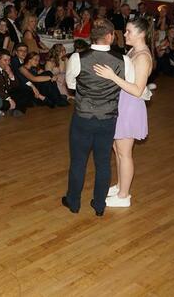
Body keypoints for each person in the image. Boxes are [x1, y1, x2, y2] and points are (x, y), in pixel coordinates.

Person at [62, 18, 134, 217]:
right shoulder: (123, 60)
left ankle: (74, 202)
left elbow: (71, 84)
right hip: (108, 119)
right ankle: (99, 205)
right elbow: (129, 86)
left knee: (78, 161)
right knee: (103, 163)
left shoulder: (77, 57)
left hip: (83, 118)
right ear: (110, 36)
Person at [93, 17, 152, 208]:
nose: (124, 34)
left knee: (124, 153)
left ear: (141, 34)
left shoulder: (143, 57)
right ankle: (120, 186)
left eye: (128, 31)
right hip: (123, 103)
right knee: (117, 149)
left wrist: (112, 76)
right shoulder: (134, 51)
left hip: (130, 106)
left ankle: (124, 196)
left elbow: (137, 90)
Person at [0, 49, 34, 116]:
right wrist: (9, 99)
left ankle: (16, 109)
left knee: (27, 92)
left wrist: (11, 74)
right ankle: (12, 107)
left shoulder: (8, 66)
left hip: (6, 92)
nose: (7, 62)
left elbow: (16, 85)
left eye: (9, 60)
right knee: (3, 103)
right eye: (5, 60)